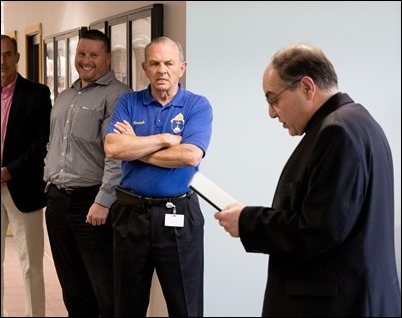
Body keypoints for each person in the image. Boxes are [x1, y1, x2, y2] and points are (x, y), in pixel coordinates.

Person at [214, 42, 401, 317]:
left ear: (306, 87)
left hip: (334, 304)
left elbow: (319, 230)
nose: (271, 112)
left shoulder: (337, 133)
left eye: (273, 99)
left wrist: (247, 221)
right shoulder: (359, 123)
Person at [104, 36, 213, 317]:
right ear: (144, 68)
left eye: (168, 63)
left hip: (178, 214)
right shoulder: (128, 102)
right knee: (127, 306)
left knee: (186, 306)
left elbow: (190, 155)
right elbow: (113, 147)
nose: (161, 69)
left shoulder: (197, 106)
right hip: (130, 215)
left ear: (182, 67)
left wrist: (136, 147)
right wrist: (165, 138)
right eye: (154, 63)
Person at [43, 29, 132, 317]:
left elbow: (116, 154)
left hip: (91, 203)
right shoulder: (65, 95)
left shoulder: (118, 96)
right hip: (57, 201)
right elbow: (53, 141)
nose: (86, 60)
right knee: (72, 287)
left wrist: (103, 201)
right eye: (82, 54)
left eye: (94, 55)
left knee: (104, 289)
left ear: (108, 58)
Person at [1, 34, 51, 317]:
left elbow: (42, 140)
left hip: (24, 188)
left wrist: (11, 170)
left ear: (17, 57)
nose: (2, 61)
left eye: (8, 54)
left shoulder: (37, 93)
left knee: (31, 264)